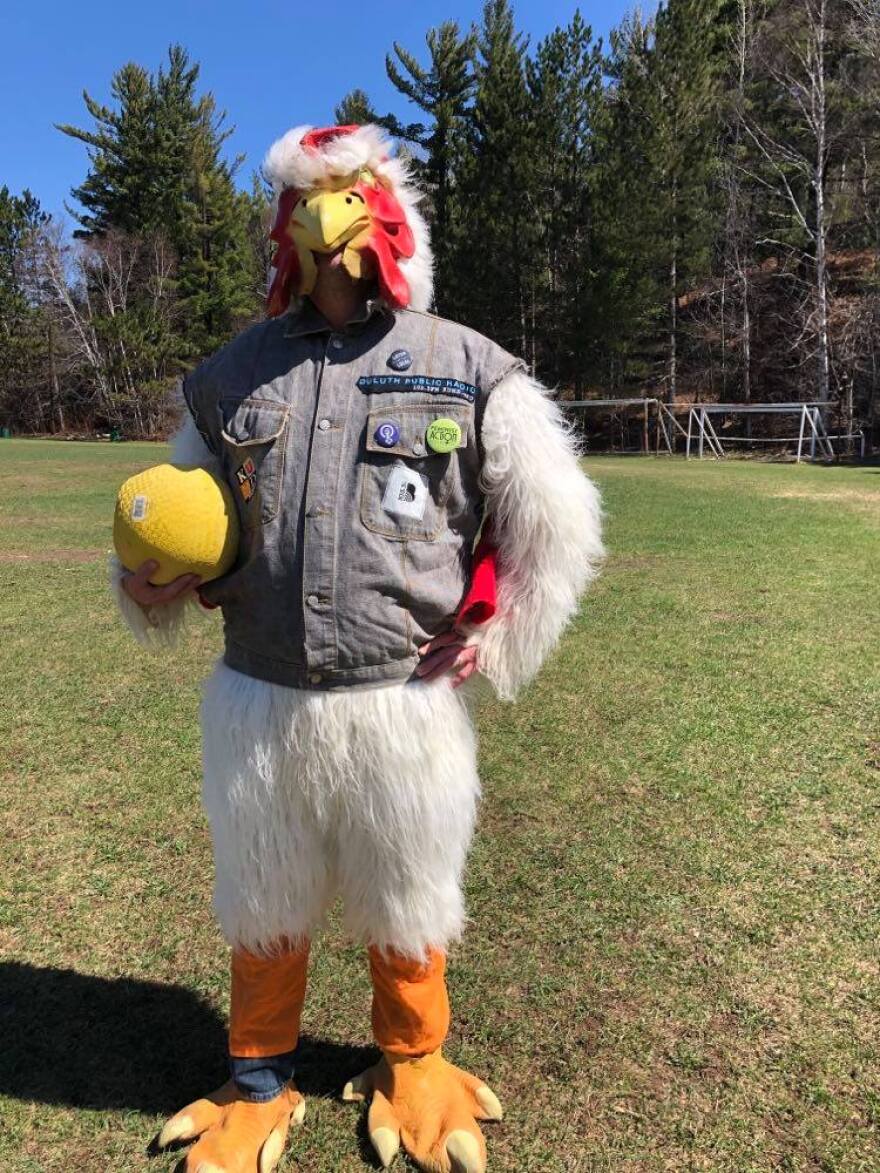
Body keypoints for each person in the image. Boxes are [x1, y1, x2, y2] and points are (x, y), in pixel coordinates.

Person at [111, 124, 604, 1173]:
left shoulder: (465, 366)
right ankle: (256, 1082)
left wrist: (497, 621)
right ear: (284, 229)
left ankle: (415, 1061)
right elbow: (188, 520)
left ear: (389, 220)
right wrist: (150, 579)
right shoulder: (229, 377)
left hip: (402, 691)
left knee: (407, 887)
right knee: (262, 888)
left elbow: (552, 526)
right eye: (309, 201)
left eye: (352, 196)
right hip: (261, 690)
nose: (330, 222)